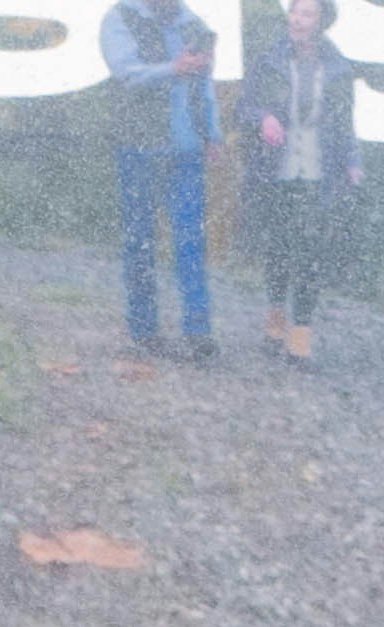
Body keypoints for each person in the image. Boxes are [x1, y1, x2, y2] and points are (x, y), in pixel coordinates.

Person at [246, 0, 373, 363]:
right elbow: (246, 105)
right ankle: (274, 321)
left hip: (320, 171)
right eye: (294, 12)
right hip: (277, 169)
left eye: (306, 14)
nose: (297, 20)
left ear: (321, 22)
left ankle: (300, 335)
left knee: (311, 254)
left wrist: (352, 162)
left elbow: (344, 122)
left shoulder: (337, 69)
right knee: (279, 249)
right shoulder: (269, 60)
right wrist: (264, 118)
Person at [98, 0, 220, 363]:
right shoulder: (121, 17)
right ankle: (143, 328)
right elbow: (126, 73)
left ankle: (198, 330)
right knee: (140, 239)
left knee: (190, 239)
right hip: (140, 144)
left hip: (187, 146)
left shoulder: (193, 22)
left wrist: (212, 131)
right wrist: (173, 69)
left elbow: (204, 82)